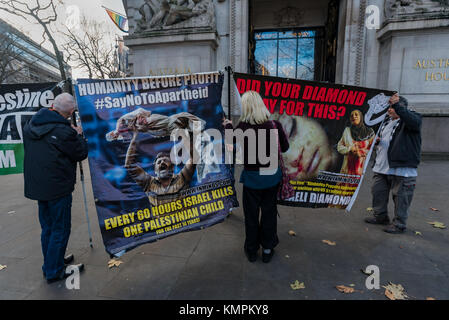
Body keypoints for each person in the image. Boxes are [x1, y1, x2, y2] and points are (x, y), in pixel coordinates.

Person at [23, 93, 88, 283]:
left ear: (53, 106)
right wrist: (79, 135)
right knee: (60, 228)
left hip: (38, 186)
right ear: (69, 112)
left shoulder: (30, 125)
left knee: (48, 227)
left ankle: (52, 262)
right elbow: (81, 153)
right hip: (57, 187)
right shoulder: (65, 132)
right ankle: (54, 270)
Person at [224, 91, 289, 263]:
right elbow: (286, 148)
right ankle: (268, 249)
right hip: (272, 179)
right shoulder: (275, 125)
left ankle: (252, 251)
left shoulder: (243, 127)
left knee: (251, 216)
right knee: (269, 214)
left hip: (252, 180)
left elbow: (230, 147)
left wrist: (229, 126)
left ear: (246, 107)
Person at [364, 93, 422, 234]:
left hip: (402, 169)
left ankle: (399, 224)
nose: (389, 110)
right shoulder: (385, 122)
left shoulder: (412, 119)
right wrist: (377, 141)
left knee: (401, 198)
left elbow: (413, 121)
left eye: (392, 107)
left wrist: (397, 105)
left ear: (401, 107)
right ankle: (380, 217)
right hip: (381, 168)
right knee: (377, 192)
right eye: (389, 107)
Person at [337, 109, 375, 176]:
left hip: (361, 171)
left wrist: (361, 153)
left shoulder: (370, 132)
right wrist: (349, 149)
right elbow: (339, 147)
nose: (354, 117)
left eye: (356, 115)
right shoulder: (347, 131)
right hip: (347, 171)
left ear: (361, 117)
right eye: (351, 115)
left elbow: (373, 150)